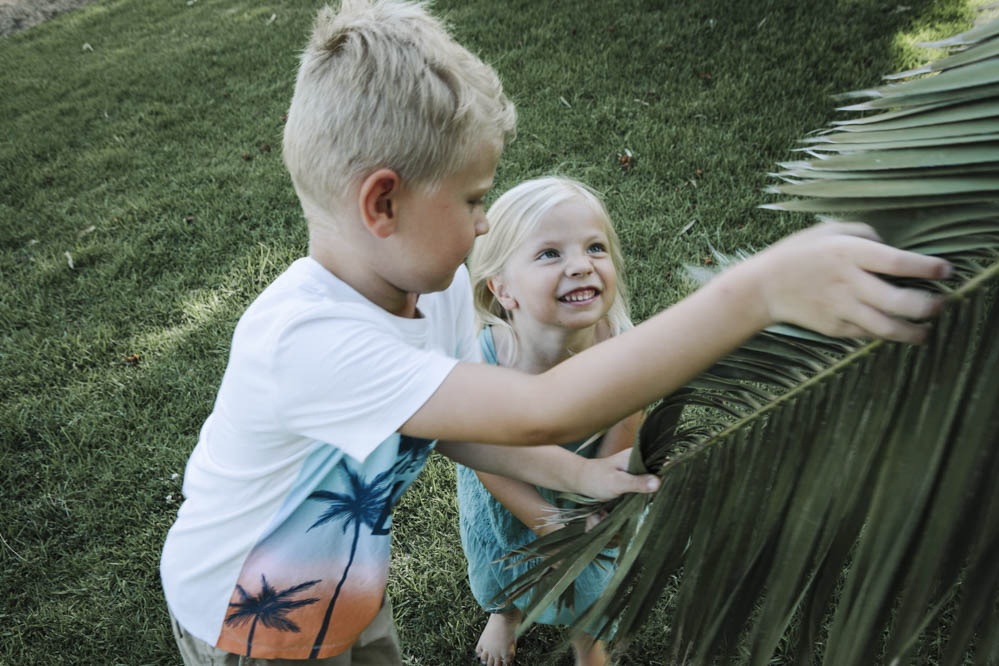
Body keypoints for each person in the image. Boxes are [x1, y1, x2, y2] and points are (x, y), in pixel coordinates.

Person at [159, 0, 952, 664]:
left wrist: (577, 481)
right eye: (473, 200)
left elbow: (446, 429)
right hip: (247, 622)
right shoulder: (310, 342)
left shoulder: (418, 289)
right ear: (382, 203)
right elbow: (545, 410)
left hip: (344, 582)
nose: (480, 226)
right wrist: (758, 290)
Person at [457, 176, 643, 666]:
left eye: (595, 247)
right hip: (509, 488)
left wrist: (598, 499)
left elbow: (629, 415)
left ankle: (588, 641)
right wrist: (547, 523)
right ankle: (505, 612)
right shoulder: (486, 361)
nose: (581, 265)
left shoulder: (619, 349)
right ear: (503, 288)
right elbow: (488, 462)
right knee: (500, 558)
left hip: (588, 487)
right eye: (550, 254)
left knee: (593, 576)